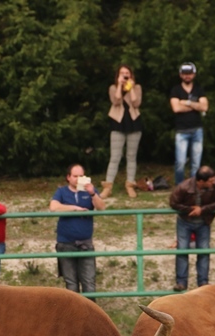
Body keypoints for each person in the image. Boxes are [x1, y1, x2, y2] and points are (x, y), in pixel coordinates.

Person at [50, 164, 105, 295]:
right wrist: (75, 208)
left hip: (86, 243)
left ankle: (90, 313)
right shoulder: (61, 191)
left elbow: (101, 207)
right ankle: (74, 314)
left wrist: (93, 193)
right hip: (65, 243)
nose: (78, 179)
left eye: (81, 176)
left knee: (89, 282)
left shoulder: (90, 191)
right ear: (68, 177)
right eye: (75, 176)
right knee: (71, 284)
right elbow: (53, 206)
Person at [169, 165, 215, 291]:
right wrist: (189, 210)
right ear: (201, 181)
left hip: (204, 221)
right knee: (182, 250)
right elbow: (173, 203)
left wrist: (202, 210)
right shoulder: (184, 187)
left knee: (203, 251)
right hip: (185, 221)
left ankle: (203, 282)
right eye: (210, 180)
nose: (213, 182)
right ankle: (181, 282)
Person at [102, 64, 143, 199]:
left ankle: (130, 185)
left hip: (134, 123)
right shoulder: (113, 88)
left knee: (131, 156)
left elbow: (136, 103)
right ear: (118, 75)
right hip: (117, 124)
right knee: (115, 157)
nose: (125, 75)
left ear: (131, 75)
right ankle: (108, 187)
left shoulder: (137, 88)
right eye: (122, 73)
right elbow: (116, 101)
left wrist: (130, 88)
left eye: (127, 73)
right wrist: (120, 86)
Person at [170, 62, 208, 185]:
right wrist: (195, 105)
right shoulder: (175, 90)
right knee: (180, 162)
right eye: (185, 74)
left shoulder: (199, 89)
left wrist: (186, 103)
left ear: (194, 74)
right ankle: (180, 187)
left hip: (197, 130)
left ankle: (193, 187)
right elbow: (176, 108)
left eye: (189, 74)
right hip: (181, 131)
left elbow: (205, 107)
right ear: (181, 75)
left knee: (196, 163)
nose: (187, 76)